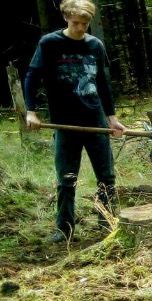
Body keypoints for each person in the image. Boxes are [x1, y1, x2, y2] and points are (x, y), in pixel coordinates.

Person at [23, 0, 126, 243]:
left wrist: (112, 119)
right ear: (66, 18)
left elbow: (103, 84)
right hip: (64, 122)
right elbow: (32, 76)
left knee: (106, 177)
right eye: (76, 23)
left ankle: (108, 224)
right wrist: (31, 111)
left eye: (85, 24)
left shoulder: (95, 45)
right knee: (67, 178)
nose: (80, 28)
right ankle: (64, 229)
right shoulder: (50, 43)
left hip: (95, 120)